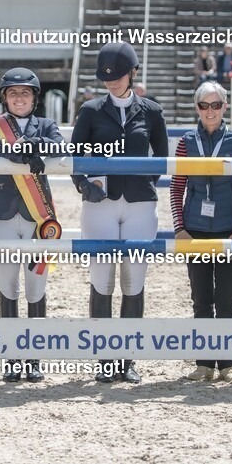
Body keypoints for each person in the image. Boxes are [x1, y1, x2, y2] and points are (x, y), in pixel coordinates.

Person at [72, 42, 169, 383]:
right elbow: (76, 161)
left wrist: (142, 181)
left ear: (133, 73)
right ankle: (104, 359)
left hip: (140, 202)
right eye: (106, 78)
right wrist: (85, 185)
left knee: (133, 279)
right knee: (102, 278)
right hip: (100, 204)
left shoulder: (153, 112)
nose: (111, 83)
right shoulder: (90, 111)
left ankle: (126, 359)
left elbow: (160, 159)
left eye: (118, 77)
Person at [0, 68, 65, 383]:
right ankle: (11, 357)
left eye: (25, 93)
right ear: (4, 98)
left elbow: (58, 146)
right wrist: (22, 149)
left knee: (36, 286)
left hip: (38, 216)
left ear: (35, 98)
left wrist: (35, 142)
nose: (19, 98)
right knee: (7, 285)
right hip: (2, 211)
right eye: (13, 93)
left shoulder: (47, 125)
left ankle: (34, 357)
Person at [170, 82, 232, 383]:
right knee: (201, 299)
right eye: (204, 105)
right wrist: (179, 227)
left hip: (229, 231)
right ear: (196, 108)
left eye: (216, 105)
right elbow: (177, 187)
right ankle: (204, 363)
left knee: (227, 300)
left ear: (225, 107)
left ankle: (228, 364)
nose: (210, 111)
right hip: (195, 231)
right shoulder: (185, 142)